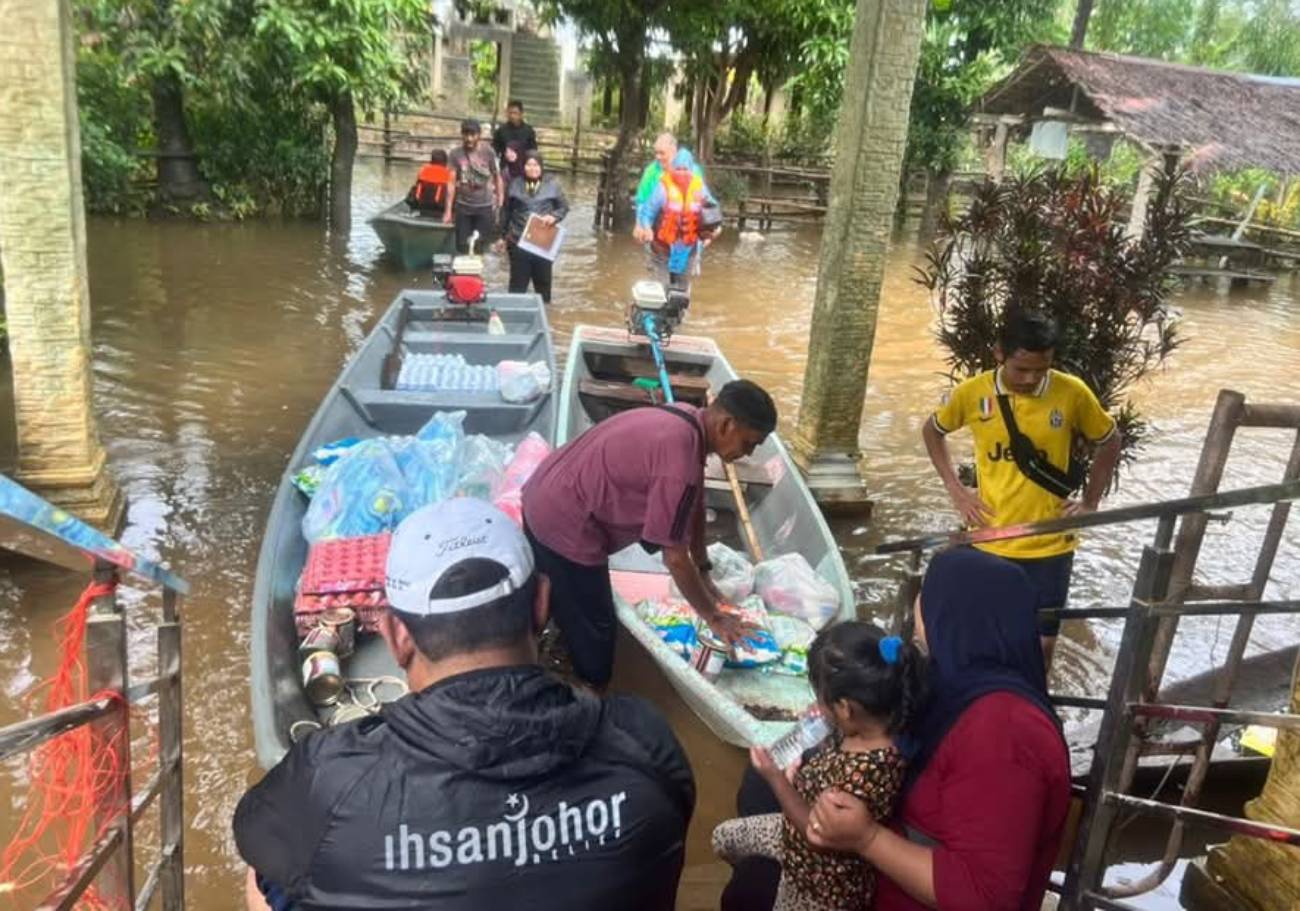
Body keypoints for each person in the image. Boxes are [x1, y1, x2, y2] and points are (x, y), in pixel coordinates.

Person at [234, 498, 696, 910]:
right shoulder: (644, 741)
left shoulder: (331, 778)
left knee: (266, 878)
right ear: (540, 605)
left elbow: (256, 839)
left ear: (396, 637)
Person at [804, 547, 1072, 911]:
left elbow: (985, 896)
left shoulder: (1006, 732)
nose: (918, 607)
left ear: (952, 615)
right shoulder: (954, 684)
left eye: (927, 595)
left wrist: (866, 839)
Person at [521, 380, 778, 689]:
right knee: (598, 632)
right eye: (749, 443)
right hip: (564, 523)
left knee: (557, 597)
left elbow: (693, 505)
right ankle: (588, 692)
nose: (747, 453)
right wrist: (713, 617)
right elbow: (674, 558)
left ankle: (546, 638)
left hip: (542, 493)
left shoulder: (685, 417)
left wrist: (705, 571)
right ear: (727, 425)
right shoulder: (679, 463)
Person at [921, 310, 1122, 667]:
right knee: (982, 635)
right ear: (1000, 353)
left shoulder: (1072, 393)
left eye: (1040, 370)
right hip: (990, 537)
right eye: (1021, 369)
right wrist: (957, 490)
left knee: (1042, 646)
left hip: (1050, 543)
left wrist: (1091, 503)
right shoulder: (972, 393)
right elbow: (933, 431)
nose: (1030, 379)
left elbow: (1109, 440)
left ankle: (1035, 707)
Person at [712, 622, 925, 911]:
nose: (817, 704)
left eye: (821, 699)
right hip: (791, 834)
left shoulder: (863, 774)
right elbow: (832, 747)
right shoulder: (870, 725)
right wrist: (824, 724)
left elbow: (819, 836)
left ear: (846, 708)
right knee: (722, 837)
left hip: (817, 885)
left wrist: (777, 780)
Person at [635, 148, 721, 289]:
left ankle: (681, 309)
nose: (681, 173)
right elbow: (647, 212)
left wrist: (714, 229)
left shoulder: (699, 187)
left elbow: (713, 210)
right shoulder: (662, 188)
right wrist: (646, 228)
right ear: (672, 169)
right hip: (662, 249)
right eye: (678, 169)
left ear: (692, 170)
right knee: (662, 291)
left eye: (685, 169)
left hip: (688, 251)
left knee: (680, 296)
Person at [497, 151, 568, 304]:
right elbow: (506, 211)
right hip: (518, 242)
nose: (532, 168)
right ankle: (515, 315)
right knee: (517, 285)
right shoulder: (515, 184)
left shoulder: (552, 185)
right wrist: (502, 237)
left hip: (542, 243)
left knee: (543, 286)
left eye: (535, 165)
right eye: (528, 164)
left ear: (541, 167)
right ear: (523, 167)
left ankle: (544, 317)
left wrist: (554, 217)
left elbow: (563, 207)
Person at [446, 118, 504, 254]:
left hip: (484, 207)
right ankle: (463, 271)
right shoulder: (455, 154)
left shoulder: (488, 153)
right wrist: (448, 211)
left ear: (479, 135)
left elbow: (497, 176)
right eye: (466, 135)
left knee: (480, 246)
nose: (469, 138)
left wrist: (500, 201)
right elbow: (451, 182)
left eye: (473, 135)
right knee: (462, 246)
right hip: (463, 207)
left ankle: (477, 272)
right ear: (462, 135)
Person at [492, 99, 538, 174]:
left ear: (521, 114)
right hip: (506, 169)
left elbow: (533, 151)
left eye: (515, 113)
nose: (512, 116)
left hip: (523, 169)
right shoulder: (501, 131)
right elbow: (495, 150)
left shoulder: (529, 131)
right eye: (510, 113)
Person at [404, 149, 453, 218]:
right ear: (445, 162)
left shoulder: (423, 170)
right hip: (439, 207)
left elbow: (417, 186)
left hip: (421, 205)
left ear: (431, 161)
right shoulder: (449, 173)